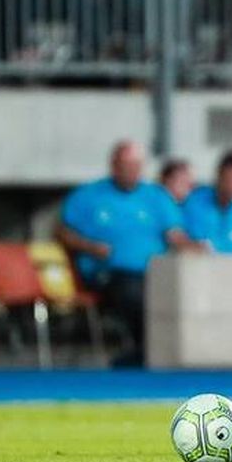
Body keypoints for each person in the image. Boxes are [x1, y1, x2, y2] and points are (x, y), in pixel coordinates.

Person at [56, 141, 196, 367]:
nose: (132, 171)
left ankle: (156, 352)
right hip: (108, 274)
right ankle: (147, 351)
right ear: (114, 165)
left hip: (153, 274)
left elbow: (175, 235)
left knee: (176, 288)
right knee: (132, 289)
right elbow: (62, 232)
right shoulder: (89, 195)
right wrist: (89, 247)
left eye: (136, 166)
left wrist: (195, 248)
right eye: (126, 165)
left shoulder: (156, 196)